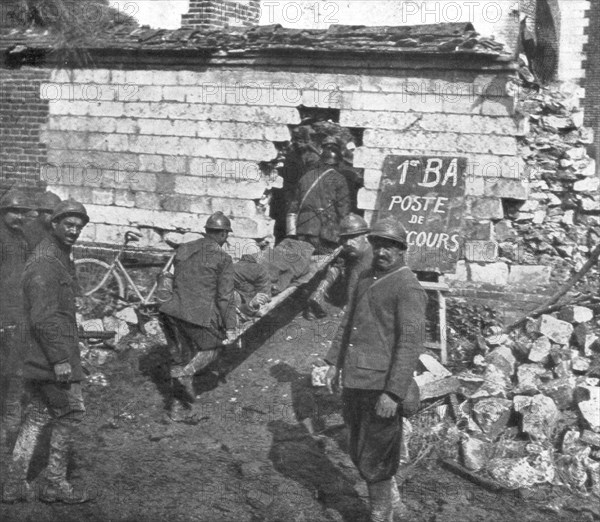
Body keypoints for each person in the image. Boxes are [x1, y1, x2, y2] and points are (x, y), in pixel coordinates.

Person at [324, 216, 427, 522]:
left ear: (402, 251)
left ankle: (380, 516)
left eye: (391, 247)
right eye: (379, 245)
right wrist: (333, 362)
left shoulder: (408, 287)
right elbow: (348, 323)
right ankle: (395, 506)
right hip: (356, 378)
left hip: (380, 387)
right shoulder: (366, 277)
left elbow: (409, 345)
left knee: (376, 457)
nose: (383, 252)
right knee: (358, 449)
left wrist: (393, 393)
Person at [2, 200, 91, 504]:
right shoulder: (45, 261)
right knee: (70, 412)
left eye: (79, 226)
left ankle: (13, 484)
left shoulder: (59, 255)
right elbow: (42, 317)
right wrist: (61, 360)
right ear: (54, 223)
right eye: (68, 224)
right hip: (48, 356)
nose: (74, 231)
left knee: (39, 414)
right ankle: (54, 483)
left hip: (43, 353)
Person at [159, 211, 238, 420]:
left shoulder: (184, 248)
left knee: (180, 358)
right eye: (226, 235)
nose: (226, 239)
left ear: (206, 231)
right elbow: (224, 298)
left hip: (168, 311)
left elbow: (175, 278)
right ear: (222, 234)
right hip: (194, 314)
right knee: (213, 348)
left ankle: (178, 410)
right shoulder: (223, 258)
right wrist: (230, 327)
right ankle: (186, 376)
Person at [0, 190, 35, 455]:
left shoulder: (22, 238)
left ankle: (10, 424)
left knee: (14, 369)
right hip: (3, 315)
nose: (19, 216)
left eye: (23, 212)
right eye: (15, 211)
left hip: (18, 315)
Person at [306, 213, 373, 320]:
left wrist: (349, 308)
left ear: (366, 237)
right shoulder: (348, 250)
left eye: (353, 237)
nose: (348, 242)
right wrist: (320, 291)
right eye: (345, 238)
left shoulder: (372, 257)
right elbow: (336, 268)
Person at [286, 148, 351, 254]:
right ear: (337, 163)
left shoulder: (305, 177)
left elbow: (293, 206)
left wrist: (291, 232)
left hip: (302, 228)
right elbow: (343, 209)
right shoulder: (339, 178)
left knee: (302, 261)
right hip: (324, 231)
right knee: (322, 261)